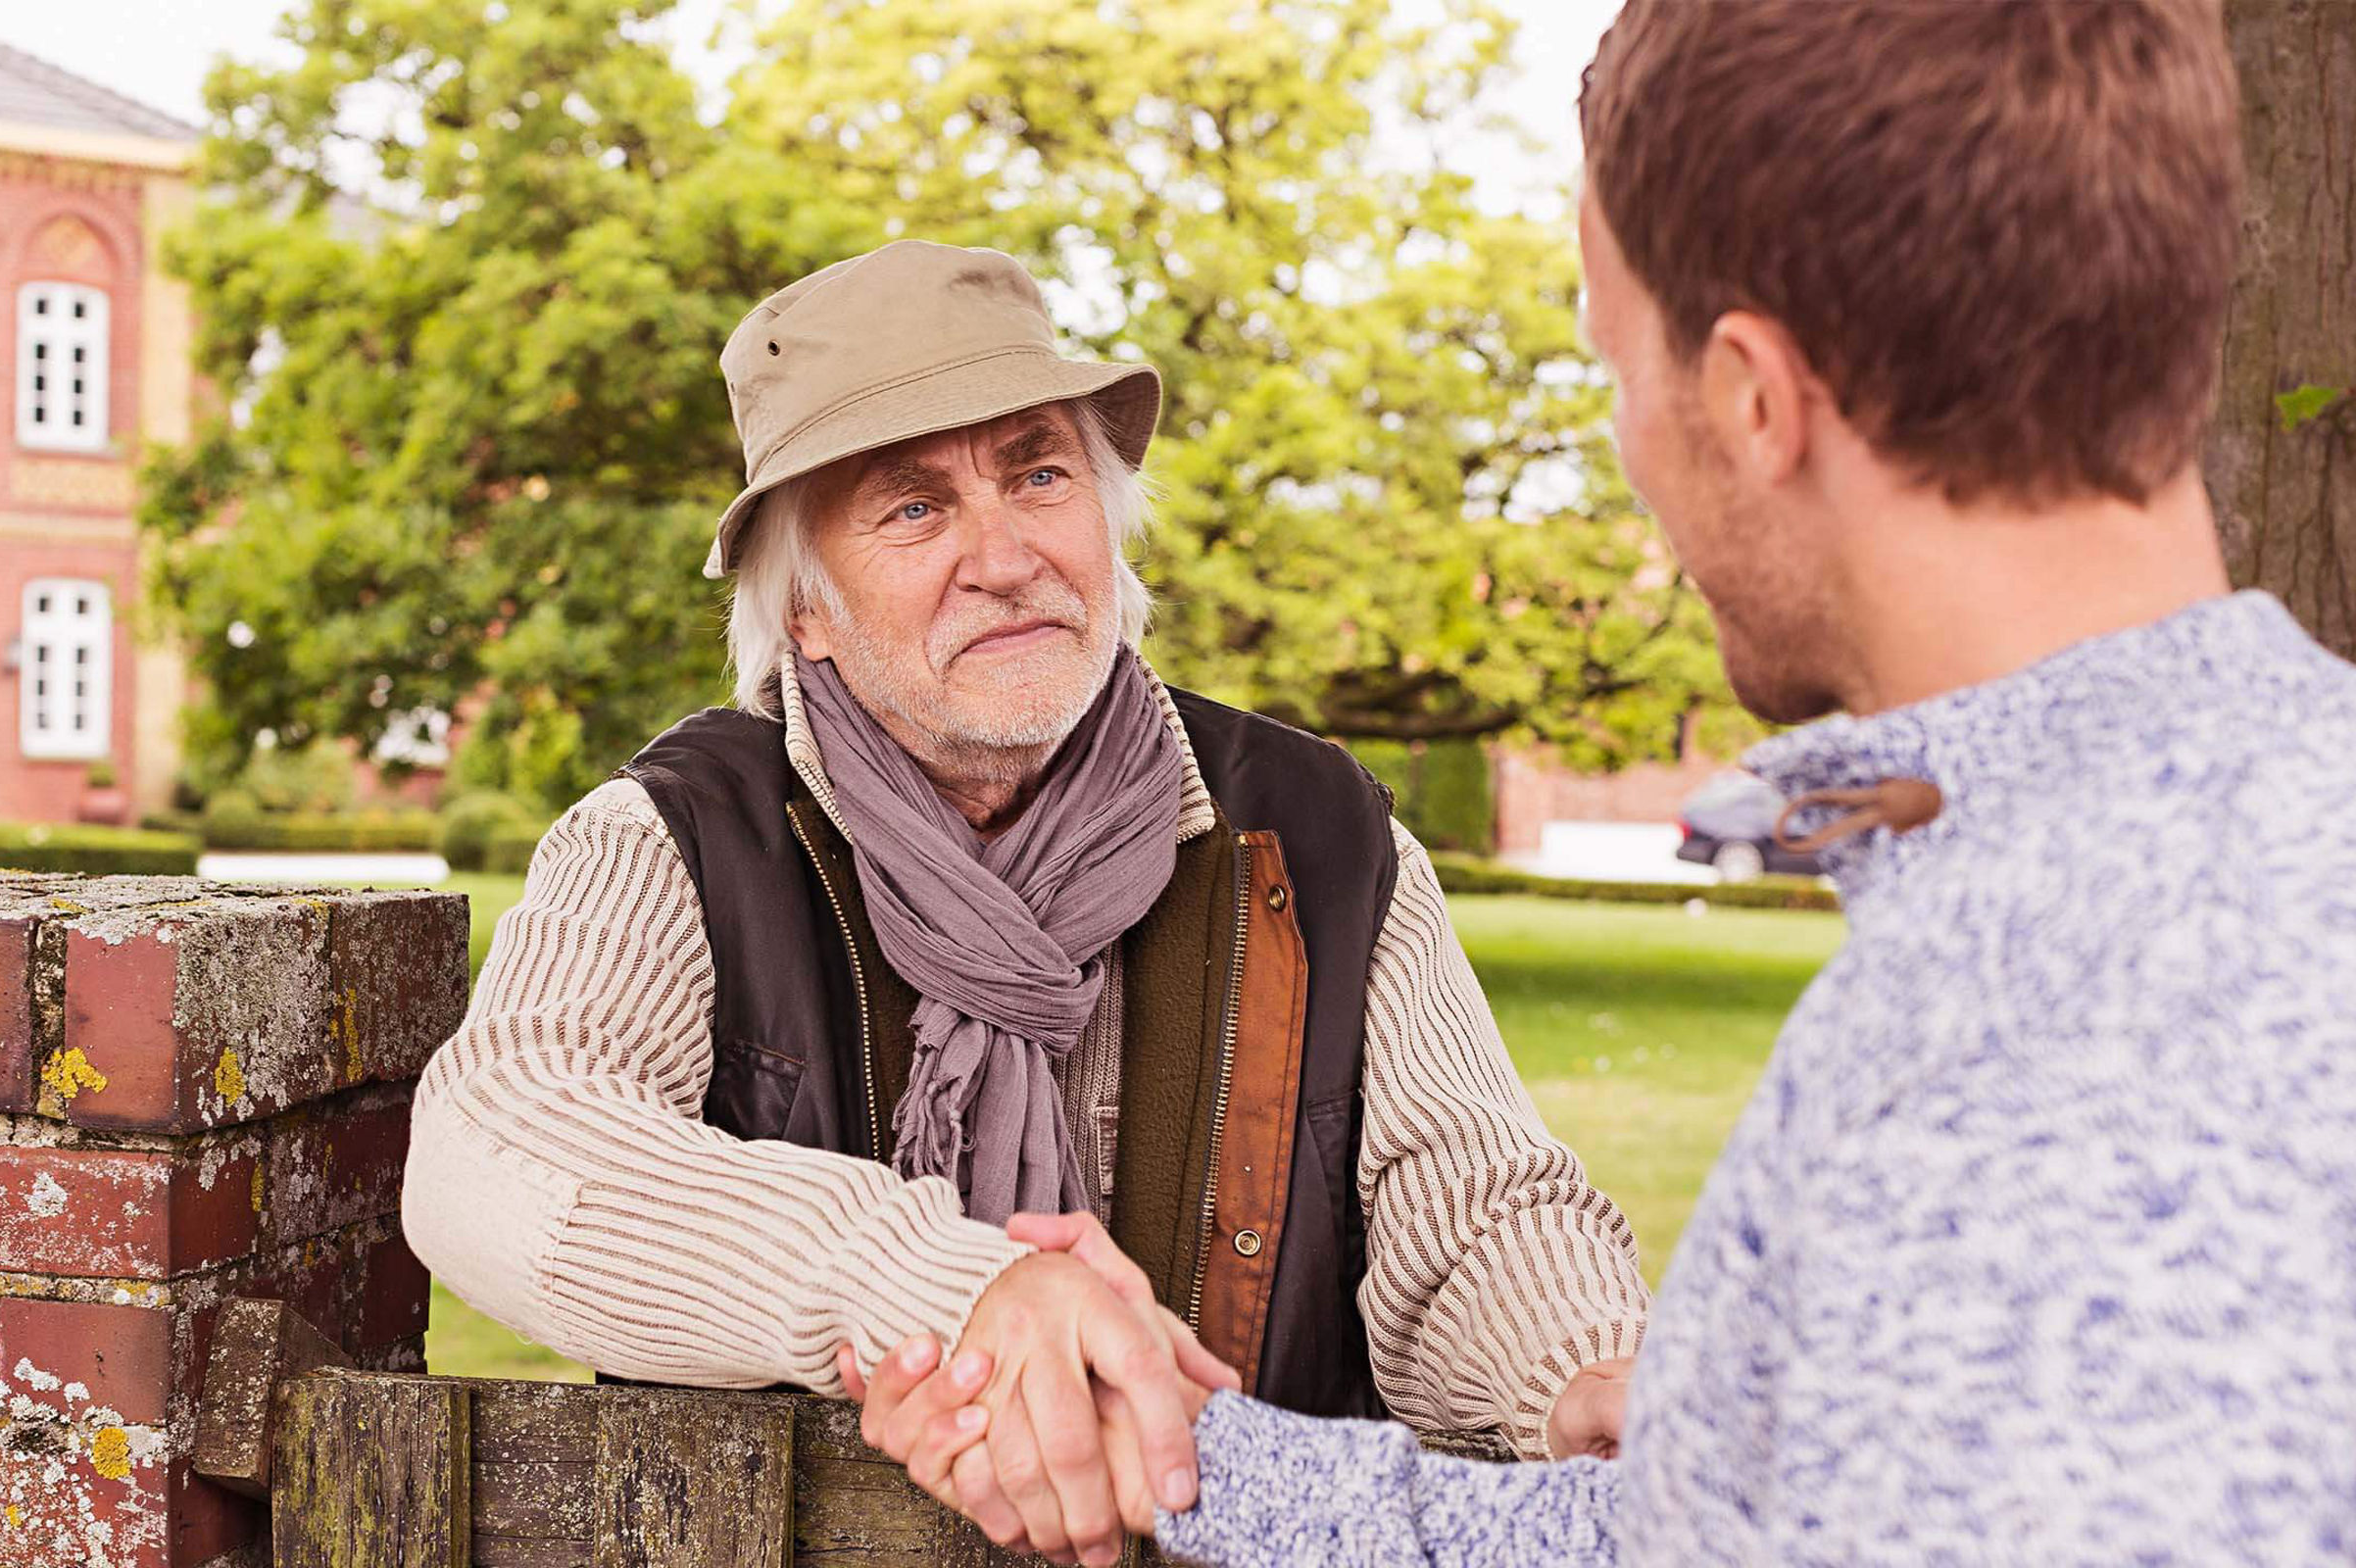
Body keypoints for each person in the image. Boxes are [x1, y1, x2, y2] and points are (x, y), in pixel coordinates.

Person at [853, 2, 2356, 1562]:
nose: (1629, 449)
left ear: (1753, 400)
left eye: (1615, 364)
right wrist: (1194, 1467)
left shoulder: (2038, 1047)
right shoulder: (2160, 879)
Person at [400, 238, 1648, 1567]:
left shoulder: (1321, 835)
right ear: (808, 610)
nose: (1004, 556)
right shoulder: (679, 836)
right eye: (913, 507)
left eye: (1038, 475)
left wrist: (1579, 1376)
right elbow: (503, 1149)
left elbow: (1467, 1206)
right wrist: (950, 1291)